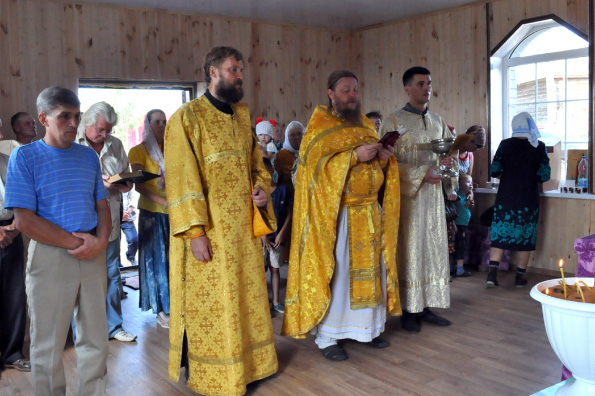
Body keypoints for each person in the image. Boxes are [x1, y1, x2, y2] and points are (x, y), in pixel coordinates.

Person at [164, 46, 278, 396]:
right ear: (213, 72)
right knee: (216, 304)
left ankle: (252, 365)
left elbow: (257, 167)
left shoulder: (242, 115)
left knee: (246, 299)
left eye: (241, 69)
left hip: (243, 232)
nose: (239, 75)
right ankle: (216, 374)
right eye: (232, 69)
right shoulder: (186, 118)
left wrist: (261, 189)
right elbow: (183, 181)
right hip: (210, 232)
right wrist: (195, 233)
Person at [282, 70, 401, 361]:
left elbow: (374, 166)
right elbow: (311, 171)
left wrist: (383, 158)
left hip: (370, 211)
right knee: (340, 274)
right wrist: (351, 157)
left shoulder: (363, 124)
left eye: (355, 90)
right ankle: (328, 336)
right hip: (339, 215)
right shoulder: (319, 126)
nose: (352, 95)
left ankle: (367, 330)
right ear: (331, 93)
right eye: (346, 90)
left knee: (373, 272)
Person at [5, 86, 110, 395]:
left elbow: (101, 206)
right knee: (48, 343)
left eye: (76, 117)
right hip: (50, 256)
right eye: (64, 116)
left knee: (95, 338)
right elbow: (24, 220)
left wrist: (100, 241)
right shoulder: (24, 157)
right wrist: (76, 244)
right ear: (43, 119)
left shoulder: (88, 156)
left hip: (92, 252)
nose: (73, 124)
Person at [380, 66, 457, 334]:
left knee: (431, 248)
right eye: (421, 83)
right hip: (407, 199)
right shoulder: (392, 122)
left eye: (430, 83)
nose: (427, 88)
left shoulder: (437, 121)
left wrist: (447, 169)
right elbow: (387, 163)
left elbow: (452, 159)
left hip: (433, 199)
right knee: (410, 250)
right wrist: (422, 173)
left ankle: (426, 305)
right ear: (407, 88)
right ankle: (408, 309)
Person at [76, 101, 137, 342]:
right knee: (81, 275)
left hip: (109, 216)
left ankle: (114, 326)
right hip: (80, 218)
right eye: (99, 130)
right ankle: (83, 331)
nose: (104, 135)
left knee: (112, 272)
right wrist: (97, 182)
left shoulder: (116, 144)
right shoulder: (72, 143)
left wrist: (124, 183)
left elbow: (127, 178)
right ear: (87, 123)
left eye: (108, 130)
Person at [486, 112, 551, 288]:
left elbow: (494, 170)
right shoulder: (539, 147)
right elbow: (545, 175)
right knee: (526, 237)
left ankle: (492, 276)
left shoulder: (505, 144)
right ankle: (519, 278)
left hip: (506, 196)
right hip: (528, 198)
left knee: (499, 235)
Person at [129, 109, 170, 327]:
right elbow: (139, 183)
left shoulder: (172, 148)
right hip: (151, 213)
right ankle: (161, 309)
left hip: (173, 210)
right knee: (157, 261)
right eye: (157, 122)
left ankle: (176, 304)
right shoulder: (139, 151)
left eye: (164, 121)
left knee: (172, 260)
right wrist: (161, 201)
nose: (162, 126)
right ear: (147, 124)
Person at [0, 117, 29, 373]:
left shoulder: (8, 160)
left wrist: (12, 228)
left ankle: (12, 353)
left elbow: (23, 197)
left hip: (11, 231)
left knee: (14, 297)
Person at [261, 158, 292, 313]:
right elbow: (255, 215)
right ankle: (262, 302)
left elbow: (289, 213)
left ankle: (276, 301)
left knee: (275, 269)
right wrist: (263, 237)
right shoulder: (258, 193)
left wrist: (281, 233)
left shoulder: (283, 190)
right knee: (260, 270)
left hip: (277, 239)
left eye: (267, 171)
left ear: (272, 171)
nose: (265, 175)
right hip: (262, 239)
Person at [453, 174, 474, 277]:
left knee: (462, 246)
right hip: (458, 225)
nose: (471, 185)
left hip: (464, 225)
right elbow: (452, 211)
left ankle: (458, 268)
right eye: (468, 182)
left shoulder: (466, 197)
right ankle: (459, 269)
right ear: (459, 185)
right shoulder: (457, 196)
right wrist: (453, 224)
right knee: (459, 246)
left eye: (472, 183)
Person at [273, 121, 304, 190]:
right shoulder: (281, 156)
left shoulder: (307, 154)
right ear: (287, 137)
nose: (297, 137)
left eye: (299, 134)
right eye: (292, 135)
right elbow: (275, 181)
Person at [121, 189, 139, 266]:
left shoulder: (127, 181)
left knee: (134, 238)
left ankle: (131, 257)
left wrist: (128, 211)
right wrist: (120, 212)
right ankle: (117, 264)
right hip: (113, 216)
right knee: (114, 242)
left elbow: (133, 197)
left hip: (127, 217)